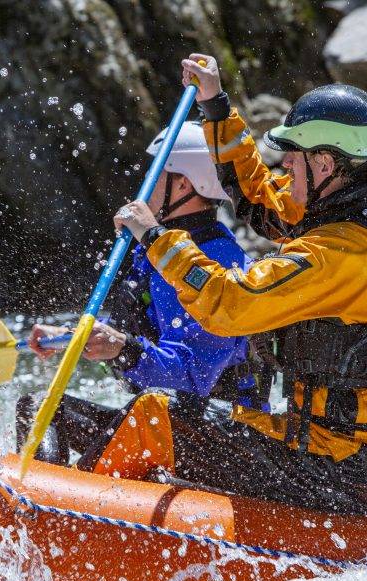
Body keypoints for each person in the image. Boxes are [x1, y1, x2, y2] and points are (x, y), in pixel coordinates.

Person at [81, 53, 367, 514]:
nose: (284, 169)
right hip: (314, 446)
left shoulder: (344, 255)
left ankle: (78, 518)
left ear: (325, 164)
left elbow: (230, 304)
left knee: (155, 415)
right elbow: (258, 197)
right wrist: (215, 106)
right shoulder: (339, 208)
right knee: (175, 415)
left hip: (334, 470)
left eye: (292, 160)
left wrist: (155, 238)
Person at [16, 121, 270, 466]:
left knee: (138, 417)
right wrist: (73, 336)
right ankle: (41, 489)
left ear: (184, 183)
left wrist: (122, 349)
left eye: (156, 171)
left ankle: (62, 490)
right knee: (38, 407)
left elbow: (194, 377)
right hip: (167, 418)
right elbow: (139, 327)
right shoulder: (163, 251)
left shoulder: (215, 262)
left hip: (221, 437)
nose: (144, 182)